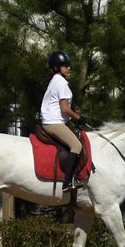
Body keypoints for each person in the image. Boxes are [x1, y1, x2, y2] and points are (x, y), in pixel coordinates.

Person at [40, 50, 86, 192]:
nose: (69, 68)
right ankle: (67, 182)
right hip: (54, 122)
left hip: (53, 120)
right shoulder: (61, 83)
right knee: (76, 146)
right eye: (65, 66)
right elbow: (65, 108)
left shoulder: (55, 81)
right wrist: (78, 117)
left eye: (68, 65)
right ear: (57, 67)